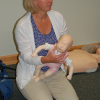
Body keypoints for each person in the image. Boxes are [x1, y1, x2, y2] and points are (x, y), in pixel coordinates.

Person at [15, 0, 79, 100]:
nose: (50, 0)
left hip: (55, 71)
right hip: (32, 74)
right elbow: (27, 57)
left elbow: (64, 44)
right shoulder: (22, 26)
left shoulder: (57, 17)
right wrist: (48, 59)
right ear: (34, 2)